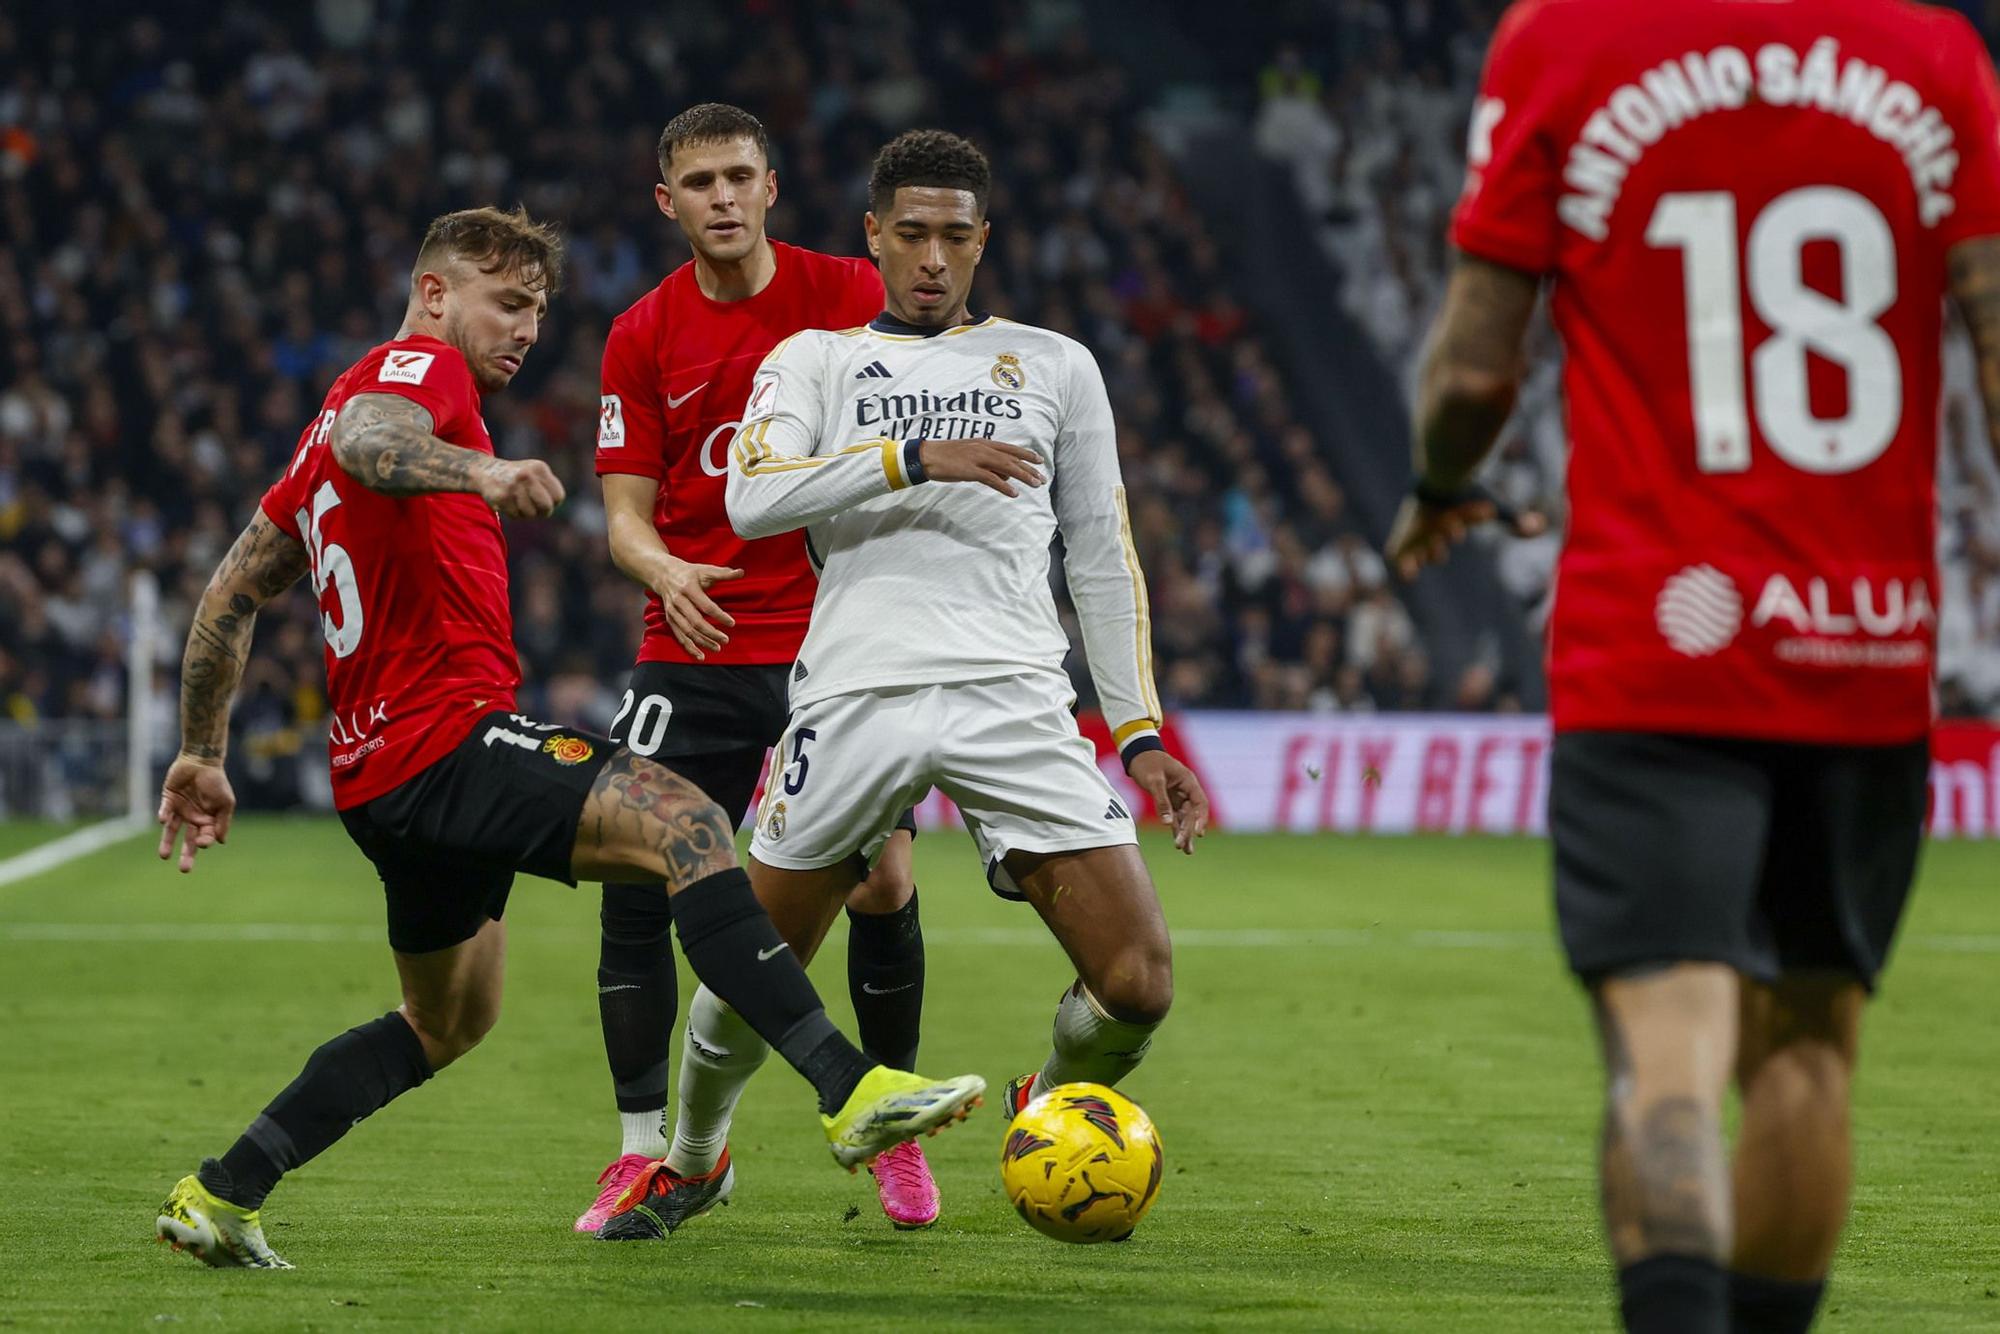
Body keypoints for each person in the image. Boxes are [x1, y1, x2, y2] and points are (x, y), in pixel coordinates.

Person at [151, 206, 983, 1271]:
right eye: (508, 303)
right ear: (437, 293)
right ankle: (845, 1086)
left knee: (446, 1019)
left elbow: (232, 590)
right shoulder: (413, 373)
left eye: (539, 312)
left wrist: (201, 749)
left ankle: (222, 1190)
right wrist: (480, 473)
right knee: (682, 817)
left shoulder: (316, 435)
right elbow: (376, 436)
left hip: (375, 780)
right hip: (444, 742)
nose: (526, 330)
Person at [1389, 4, 2000, 1330]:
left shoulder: (1563, 40)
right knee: (1810, 1050)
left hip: (1658, 640)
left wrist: (1441, 481)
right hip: (1866, 638)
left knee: (1667, 1048)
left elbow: (1479, 370)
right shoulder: (1934, 55)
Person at [598, 128, 1210, 1242]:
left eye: (956, 237)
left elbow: (1100, 554)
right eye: (912, 233)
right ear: (871, 235)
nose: (933, 257)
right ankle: (689, 1159)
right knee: (750, 977)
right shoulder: (816, 361)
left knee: (1138, 980)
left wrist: (1137, 730)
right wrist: (912, 454)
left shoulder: (1056, 363)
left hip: (1013, 697)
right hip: (853, 695)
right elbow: (752, 498)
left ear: (985, 242)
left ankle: (1044, 1099)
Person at [583, 103, 936, 1236]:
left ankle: (895, 1134)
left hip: (829, 646)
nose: (722, 197)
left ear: (772, 187)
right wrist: (664, 566)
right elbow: (623, 517)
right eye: (699, 182)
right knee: (632, 877)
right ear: (667, 201)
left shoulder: (846, 294)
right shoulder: (639, 334)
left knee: (880, 877)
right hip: (684, 646)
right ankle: (646, 1150)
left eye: (740, 175)